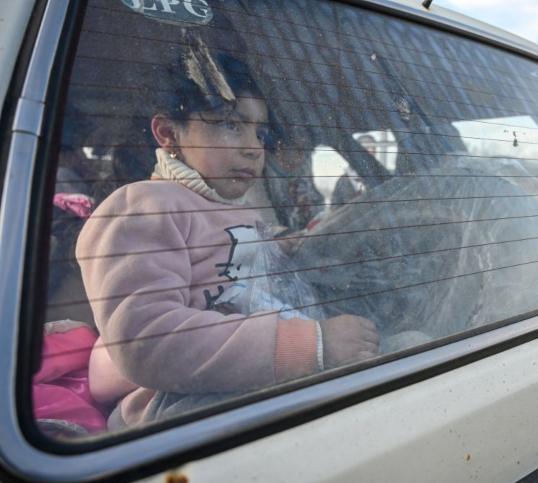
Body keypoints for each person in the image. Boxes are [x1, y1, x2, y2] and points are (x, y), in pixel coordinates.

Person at [77, 40, 378, 429]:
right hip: (177, 408)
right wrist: (312, 345)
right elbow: (147, 339)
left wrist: (279, 244)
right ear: (168, 133)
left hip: (253, 384)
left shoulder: (232, 209)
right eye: (231, 124)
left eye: (260, 133)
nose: (255, 148)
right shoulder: (142, 206)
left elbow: (231, 261)